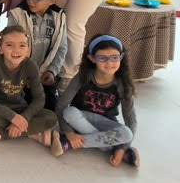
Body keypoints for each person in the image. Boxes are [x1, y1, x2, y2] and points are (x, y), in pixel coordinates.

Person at [51, 35, 139, 168]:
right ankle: (111, 146)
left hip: (105, 122)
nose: (109, 63)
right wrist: (69, 132)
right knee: (69, 112)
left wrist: (123, 148)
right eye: (102, 58)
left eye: (114, 57)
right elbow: (61, 106)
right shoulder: (82, 77)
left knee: (127, 133)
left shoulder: (123, 84)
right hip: (80, 119)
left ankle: (68, 144)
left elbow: (131, 119)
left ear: (121, 57)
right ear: (92, 58)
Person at [0, 26, 57, 145]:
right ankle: (31, 131)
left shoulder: (30, 65)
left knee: (51, 118)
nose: (16, 50)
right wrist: (12, 117)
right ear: (0, 48)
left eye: (22, 45)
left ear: (28, 50)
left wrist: (24, 117)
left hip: (19, 108)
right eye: (9, 45)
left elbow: (39, 99)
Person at [7, 0, 67, 111]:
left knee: (51, 110)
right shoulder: (17, 15)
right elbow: (10, 49)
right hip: (19, 76)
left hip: (43, 76)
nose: (30, 1)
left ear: (51, 1)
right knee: (18, 108)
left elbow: (61, 48)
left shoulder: (59, 17)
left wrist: (52, 71)